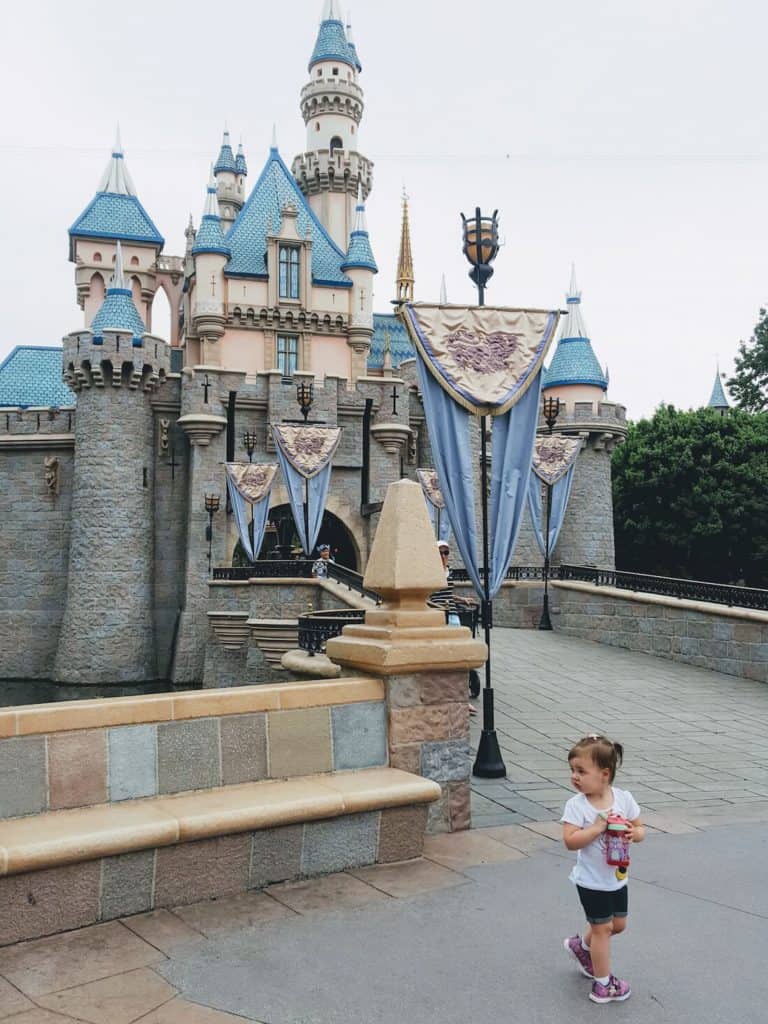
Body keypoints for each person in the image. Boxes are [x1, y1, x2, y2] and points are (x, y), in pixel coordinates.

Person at [560, 734, 645, 1004]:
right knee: (603, 929)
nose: (575, 776)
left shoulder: (623, 799)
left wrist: (636, 833)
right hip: (591, 881)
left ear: (604, 774)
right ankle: (603, 984)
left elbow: (640, 827)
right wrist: (596, 828)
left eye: (581, 771)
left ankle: (580, 947)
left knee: (617, 925)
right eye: (572, 770)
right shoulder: (577, 806)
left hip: (618, 877)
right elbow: (570, 841)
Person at [429, 540, 479, 714]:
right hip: (438, 617)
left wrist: (461, 600)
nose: (443, 556)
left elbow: (448, 593)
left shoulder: (447, 572)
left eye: (446, 552)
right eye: (439, 553)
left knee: (459, 657)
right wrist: (435, 608)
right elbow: (425, 597)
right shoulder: (430, 574)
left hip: (453, 617)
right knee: (445, 658)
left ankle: (462, 698)